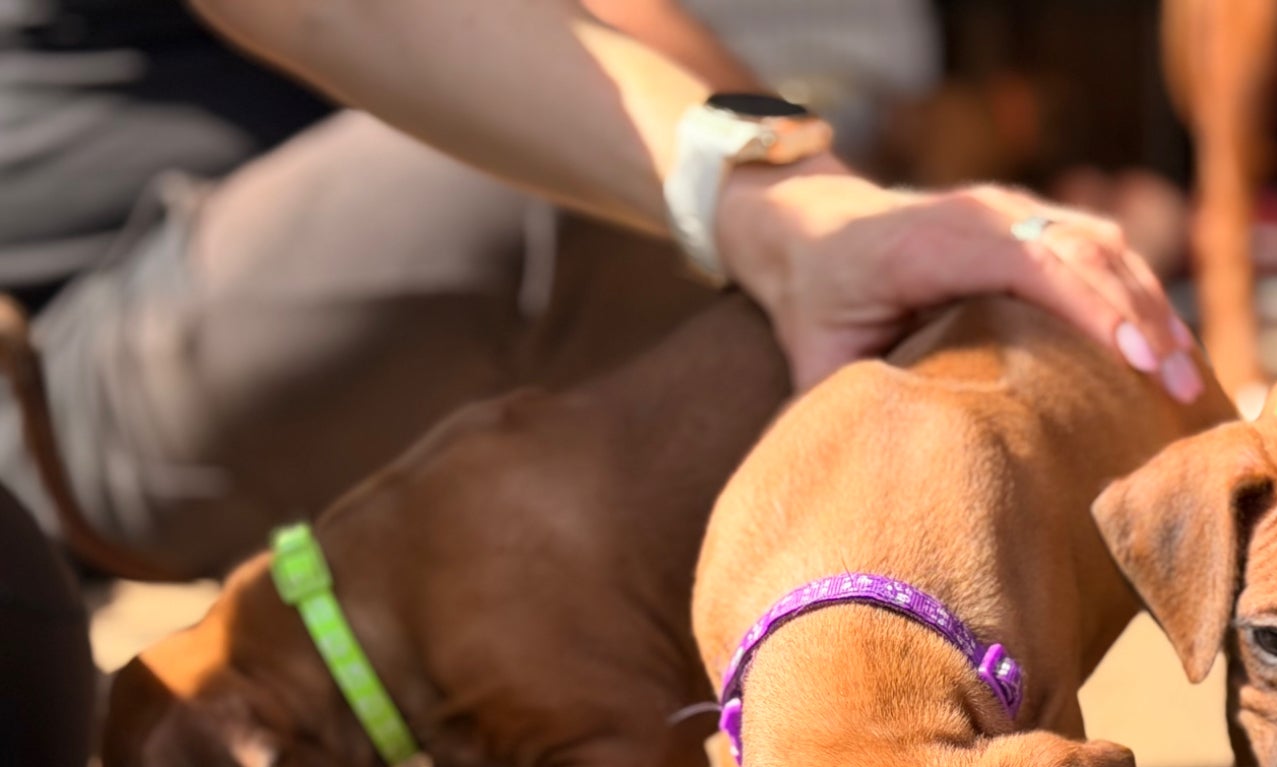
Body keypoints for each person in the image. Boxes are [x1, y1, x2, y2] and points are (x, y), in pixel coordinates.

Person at [1, 0, 1203, 580]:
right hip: (55, 391)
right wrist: (775, 207)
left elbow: (599, 27)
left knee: (700, 167)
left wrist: (832, 204)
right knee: (533, 181)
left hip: (269, 349)